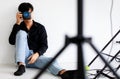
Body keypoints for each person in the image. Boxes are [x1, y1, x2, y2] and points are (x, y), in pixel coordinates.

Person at [8, 2, 76, 79]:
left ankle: (63, 73)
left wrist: (37, 54)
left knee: (51, 60)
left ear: (32, 12)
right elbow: (11, 42)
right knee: (21, 33)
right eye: (25, 13)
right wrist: (17, 23)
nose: (28, 15)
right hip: (22, 58)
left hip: (36, 58)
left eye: (29, 13)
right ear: (21, 14)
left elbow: (44, 45)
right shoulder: (18, 26)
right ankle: (21, 65)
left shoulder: (40, 28)